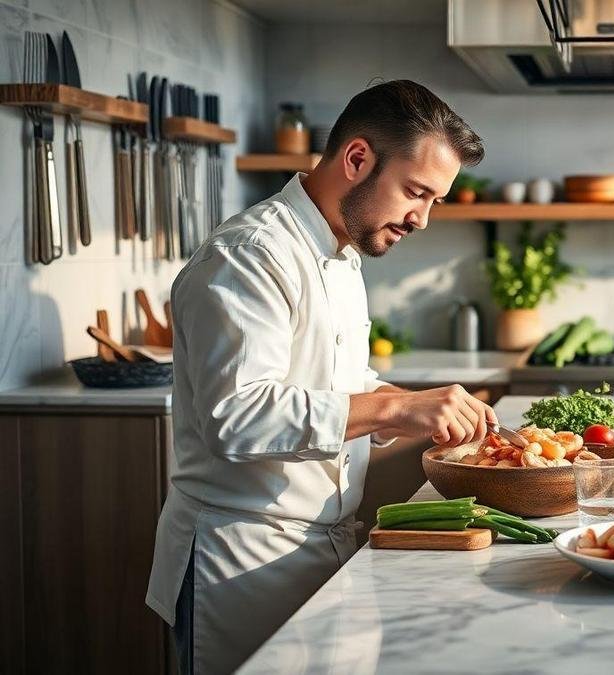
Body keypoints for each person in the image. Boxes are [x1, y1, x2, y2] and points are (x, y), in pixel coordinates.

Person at [145, 80, 496, 674]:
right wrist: (390, 411)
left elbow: (340, 387)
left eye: (434, 200)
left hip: (323, 552)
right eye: (416, 192)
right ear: (357, 159)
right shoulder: (248, 255)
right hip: (240, 565)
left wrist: (413, 406)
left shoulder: (343, 253)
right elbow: (236, 417)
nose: (424, 219)